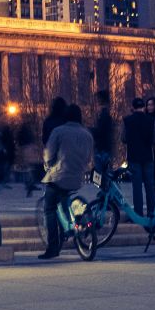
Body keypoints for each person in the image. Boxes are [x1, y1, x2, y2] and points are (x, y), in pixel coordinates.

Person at [36, 103, 95, 260]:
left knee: (49, 208)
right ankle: (75, 223)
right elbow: (89, 158)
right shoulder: (87, 134)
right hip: (77, 177)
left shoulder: (59, 131)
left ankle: (53, 247)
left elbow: (48, 153)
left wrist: (48, 165)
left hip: (59, 175)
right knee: (64, 200)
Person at [122, 97, 155, 220]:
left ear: (133, 107)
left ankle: (138, 213)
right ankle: (152, 212)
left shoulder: (127, 120)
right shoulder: (151, 120)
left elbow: (124, 138)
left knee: (136, 187)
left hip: (133, 157)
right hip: (148, 157)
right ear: (144, 107)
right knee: (149, 186)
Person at [90, 90, 115, 175]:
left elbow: (100, 132)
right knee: (103, 173)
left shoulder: (104, 116)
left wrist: (89, 130)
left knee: (101, 174)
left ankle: (105, 187)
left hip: (102, 149)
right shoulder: (105, 115)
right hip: (105, 147)